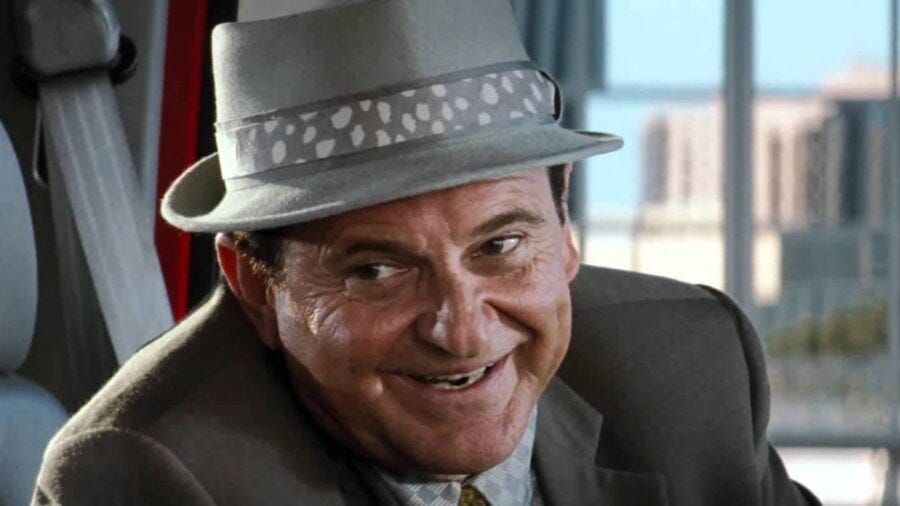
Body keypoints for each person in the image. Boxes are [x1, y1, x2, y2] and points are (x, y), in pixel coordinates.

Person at [33, 0, 819, 504]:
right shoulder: (146, 472)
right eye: (375, 270)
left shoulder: (691, 363)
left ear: (565, 226)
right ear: (254, 286)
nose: (462, 331)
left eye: (500, 245)